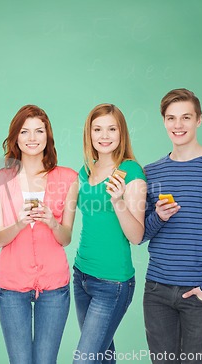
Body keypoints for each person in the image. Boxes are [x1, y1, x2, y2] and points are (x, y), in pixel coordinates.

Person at [142, 88, 202, 364]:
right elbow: (141, 236)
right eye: (171, 118)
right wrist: (159, 217)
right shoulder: (152, 172)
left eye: (186, 117)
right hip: (157, 291)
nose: (178, 125)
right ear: (163, 121)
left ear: (199, 120)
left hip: (198, 291)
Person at [0, 105, 78, 364]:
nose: (32, 138)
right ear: (15, 137)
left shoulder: (68, 178)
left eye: (39, 131)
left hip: (55, 287)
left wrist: (51, 221)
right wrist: (18, 223)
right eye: (25, 132)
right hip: (11, 286)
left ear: (47, 136)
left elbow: (66, 238)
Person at [73, 104, 147, 364]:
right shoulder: (85, 170)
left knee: (84, 360)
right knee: (103, 358)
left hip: (113, 283)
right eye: (98, 129)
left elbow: (137, 236)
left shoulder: (131, 172)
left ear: (121, 133)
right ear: (89, 134)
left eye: (112, 129)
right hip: (81, 276)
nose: (104, 135)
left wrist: (118, 201)